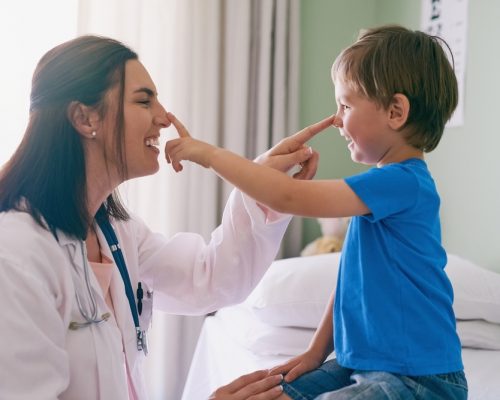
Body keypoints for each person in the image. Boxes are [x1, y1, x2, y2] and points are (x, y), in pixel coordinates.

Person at [0, 35, 334, 400]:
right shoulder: (16, 256)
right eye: (144, 100)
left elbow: (209, 278)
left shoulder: (115, 233)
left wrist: (263, 184)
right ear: (84, 117)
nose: (164, 118)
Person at [165, 25, 467, 399]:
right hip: (362, 362)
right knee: (279, 391)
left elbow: (288, 197)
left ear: (395, 111)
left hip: (419, 379)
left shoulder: (403, 184)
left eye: (345, 105)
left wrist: (210, 155)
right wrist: (316, 352)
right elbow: (350, 284)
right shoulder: (380, 187)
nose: (337, 119)